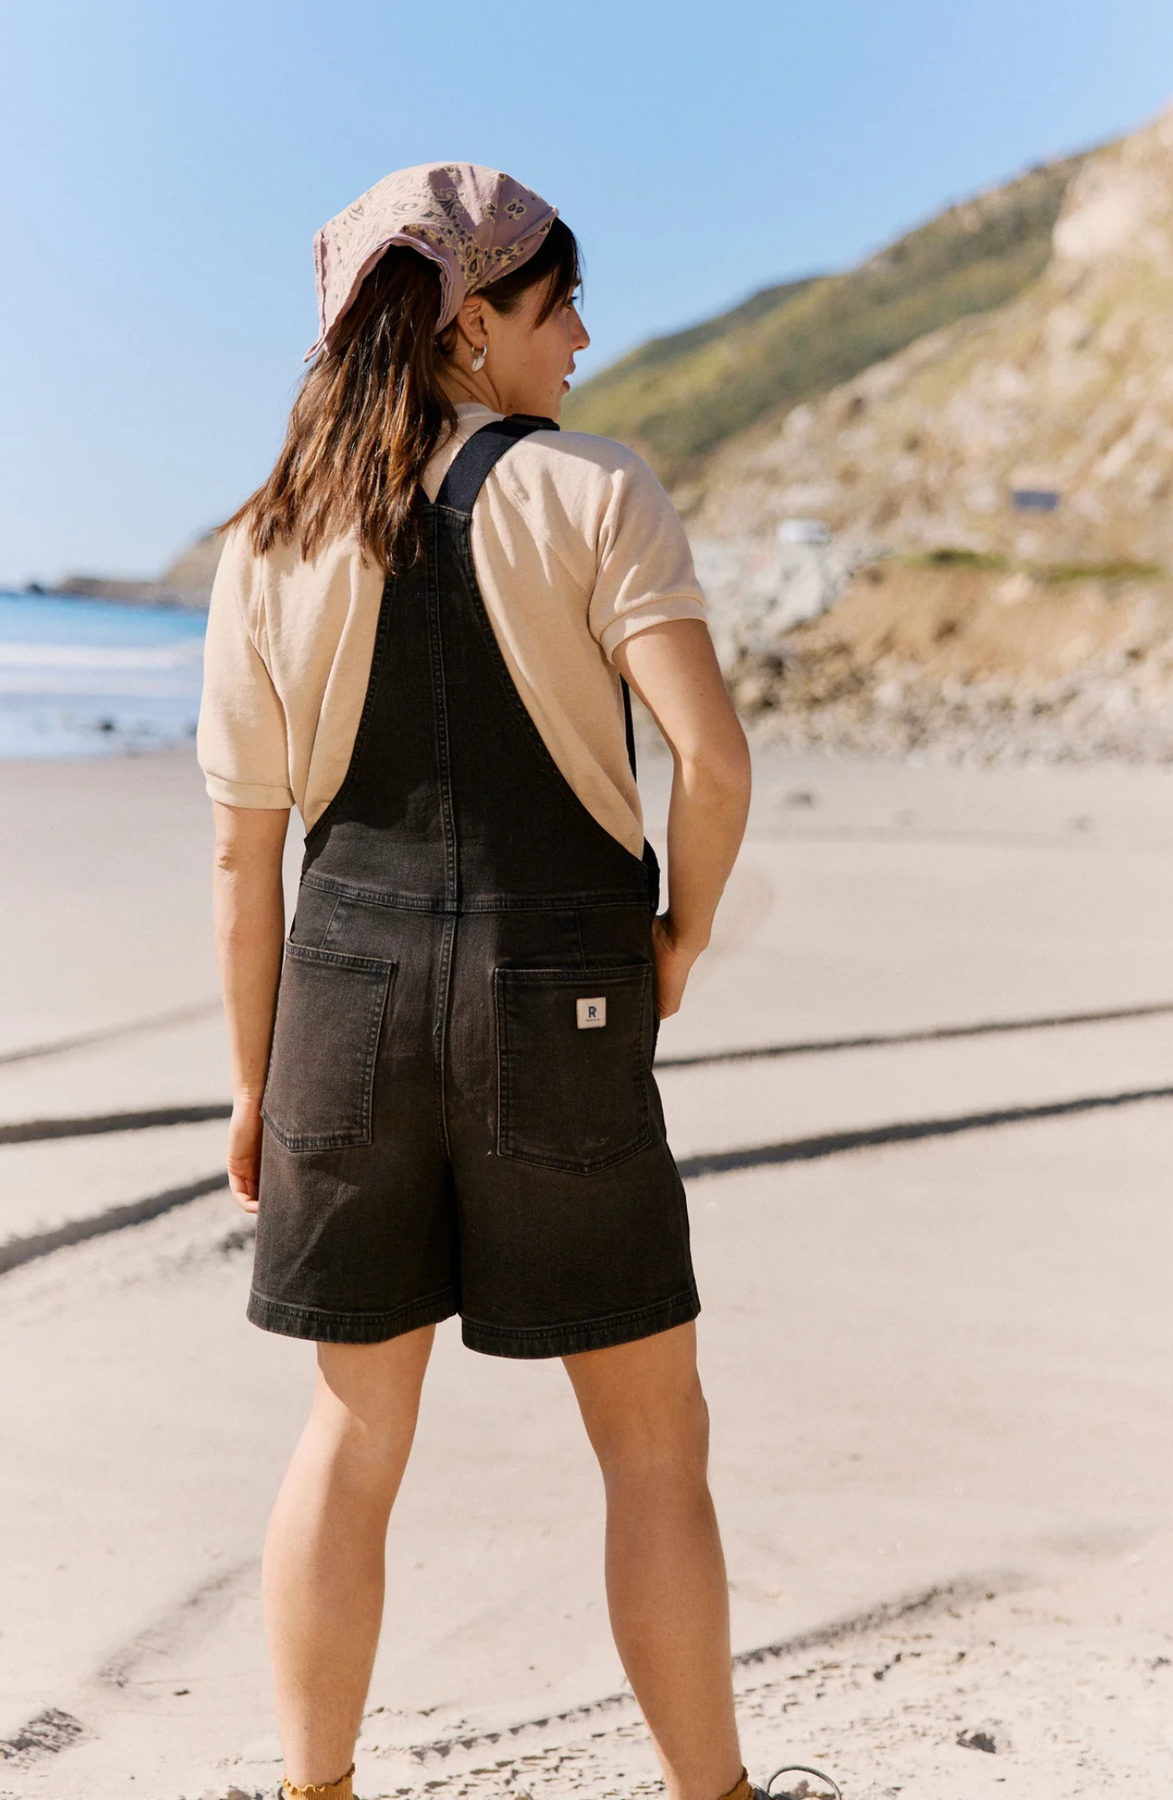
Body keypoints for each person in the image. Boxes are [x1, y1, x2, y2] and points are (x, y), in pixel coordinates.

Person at [198, 163, 832, 1800]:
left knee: (352, 1436)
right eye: (558, 308)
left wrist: (257, 1086)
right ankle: (713, 1795)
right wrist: (681, 935)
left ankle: (316, 1788)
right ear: (469, 323)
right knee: (651, 1442)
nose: (583, 340)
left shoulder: (269, 538)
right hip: (559, 992)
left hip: (342, 1002)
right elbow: (712, 760)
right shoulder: (593, 490)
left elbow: (242, 862)